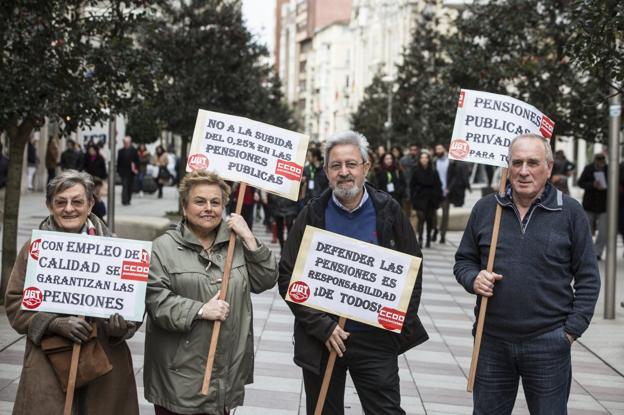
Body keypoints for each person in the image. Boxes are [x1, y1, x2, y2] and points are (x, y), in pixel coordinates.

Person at [278, 130, 428, 415]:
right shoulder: (312, 214)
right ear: (326, 171)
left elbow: (412, 270)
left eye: (351, 164)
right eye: (336, 166)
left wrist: (397, 324)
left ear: (366, 167)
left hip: (376, 340)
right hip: (322, 339)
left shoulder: (389, 210)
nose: (344, 172)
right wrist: (322, 326)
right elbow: (287, 276)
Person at [454, 133, 600, 415]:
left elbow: (588, 278)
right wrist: (473, 278)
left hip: (548, 342)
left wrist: (570, 332)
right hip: (491, 341)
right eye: (517, 162)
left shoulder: (570, 212)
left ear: (549, 167)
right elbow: (464, 261)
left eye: (532, 163)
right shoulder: (487, 209)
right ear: (507, 167)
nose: (523, 171)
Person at [5, 170, 140, 414]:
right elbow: (15, 304)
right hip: (47, 363)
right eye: (60, 201)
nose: (69, 209)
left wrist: (122, 328)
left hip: (105, 364)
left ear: (90, 204)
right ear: (49, 205)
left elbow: (133, 306)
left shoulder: (118, 249)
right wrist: (53, 323)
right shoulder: (35, 249)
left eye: (77, 201)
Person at [144, 170, 277, 414]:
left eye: (215, 202)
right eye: (199, 201)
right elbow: (156, 302)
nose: (209, 208)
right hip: (179, 377)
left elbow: (265, 280)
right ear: (184, 207)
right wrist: (201, 309)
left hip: (224, 376)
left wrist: (249, 237)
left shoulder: (236, 244)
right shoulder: (162, 248)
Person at [433, 143, 470, 244]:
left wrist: (448, 188)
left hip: (446, 192)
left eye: (440, 148)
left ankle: (443, 236)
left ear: (444, 149)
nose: (438, 150)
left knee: (445, 214)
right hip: (435, 192)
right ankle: (435, 229)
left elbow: (454, 176)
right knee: (433, 214)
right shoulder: (434, 162)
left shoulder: (451, 162)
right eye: (437, 149)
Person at [578, 153, 608, 260]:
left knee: (603, 231)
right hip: (589, 204)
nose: (600, 162)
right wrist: (592, 185)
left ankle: (598, 252)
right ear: (595, 160)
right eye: (598, 160)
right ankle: (588, 251)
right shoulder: (589, 168)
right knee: (586, 229)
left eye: (602, 160)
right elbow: (580, 182)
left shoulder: (608, 169)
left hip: (604, 204)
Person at [410, 151, 442, 248]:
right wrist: (414, 197)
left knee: (429, 220)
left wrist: (437, 198)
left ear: (429, 159)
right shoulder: (416, 171)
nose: (424, 159)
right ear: (419, 159)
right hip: (420, 198)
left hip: (431, 199)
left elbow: (438, 185)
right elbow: (412, 185)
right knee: (421, 218)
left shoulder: (433, 171)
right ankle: (420, 239)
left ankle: (428, 239)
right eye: (422, 157)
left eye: (426, 157)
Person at [117, 135, 139, 205]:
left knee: (130, 186)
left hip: (131, 172)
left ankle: (128, 199)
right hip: (123, 172)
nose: (126, 144)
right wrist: (118, 171)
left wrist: (136, 169)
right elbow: (119, 162)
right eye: (125, 142)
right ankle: (124, 200)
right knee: (125, 186)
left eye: (127, 142)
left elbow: (137, 161)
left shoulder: (134, 151)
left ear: (130, 143)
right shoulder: (120, 151)